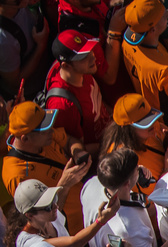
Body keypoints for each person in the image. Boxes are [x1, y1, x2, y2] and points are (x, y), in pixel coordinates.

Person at [2, 102, 91, 230]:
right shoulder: (16, 176)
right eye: (45, 129)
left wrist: (77, 152)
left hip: (90, 210)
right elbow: (41, 219)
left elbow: (70, 141)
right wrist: (64, 186)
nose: (51, 130)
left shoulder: (43, 136)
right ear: (25, 139)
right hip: (74, 232)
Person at [44, 30, 110, 148]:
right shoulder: (62, 106)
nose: (92, 57)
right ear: (66, 65)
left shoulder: (82, 70)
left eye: (89, 49)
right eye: (83, 56)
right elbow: (77, 148)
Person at [119, 0, 168, 114]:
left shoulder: (127, 43)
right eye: (164, 16)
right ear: (153, 29)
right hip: (165, 117)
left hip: (148, 111)